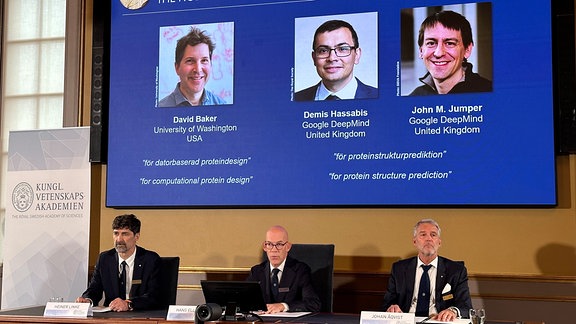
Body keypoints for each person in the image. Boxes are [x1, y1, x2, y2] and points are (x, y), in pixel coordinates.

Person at [381, 219, 472, 321]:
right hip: (406, 321)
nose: (428, 239)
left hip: (439, 321)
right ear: (414, 241)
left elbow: (466, 307)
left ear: (439, 242)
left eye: (433, 235)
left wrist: (453, 311)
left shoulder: (456, 270)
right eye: (423, 235)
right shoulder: (399, 269)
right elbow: (387, 304)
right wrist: (392, 308)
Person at [76, 214, 162, 311]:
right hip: (111, 316)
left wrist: (128, 304)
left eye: (125, 234)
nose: (119, 239)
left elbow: (154, 296)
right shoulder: (105, 259)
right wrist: (88, 300)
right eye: (116, 233)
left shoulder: (150, 260)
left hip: (141, 315)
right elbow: (94, 289)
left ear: (136, 237)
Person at [410, 10, 492, 95]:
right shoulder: (414, 98)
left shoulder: (489, 92)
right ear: (421, 51)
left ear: (467, 50)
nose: (438, 53)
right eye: (431, 43)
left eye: (450, 43)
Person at [294, 19, 378, 101]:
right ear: (314, 58)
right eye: (323, 51)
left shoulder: (381, 98)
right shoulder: (295, 99)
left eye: (342, 49)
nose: (332, 58)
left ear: (357, 55)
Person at [247, 225, 321, 313]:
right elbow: (243, 300)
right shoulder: (256, 271)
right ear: (265, 247)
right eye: (269, 244)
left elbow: (313, 303)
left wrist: (284, 306)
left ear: (288, 247)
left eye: (279, 244)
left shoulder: (300, 270)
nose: (274, 250)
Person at [158, 27, 226, 107]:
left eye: (204, 60)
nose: (198, 69)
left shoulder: (222, 106)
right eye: (190, 61)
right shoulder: (161, 108)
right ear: (177, 68)